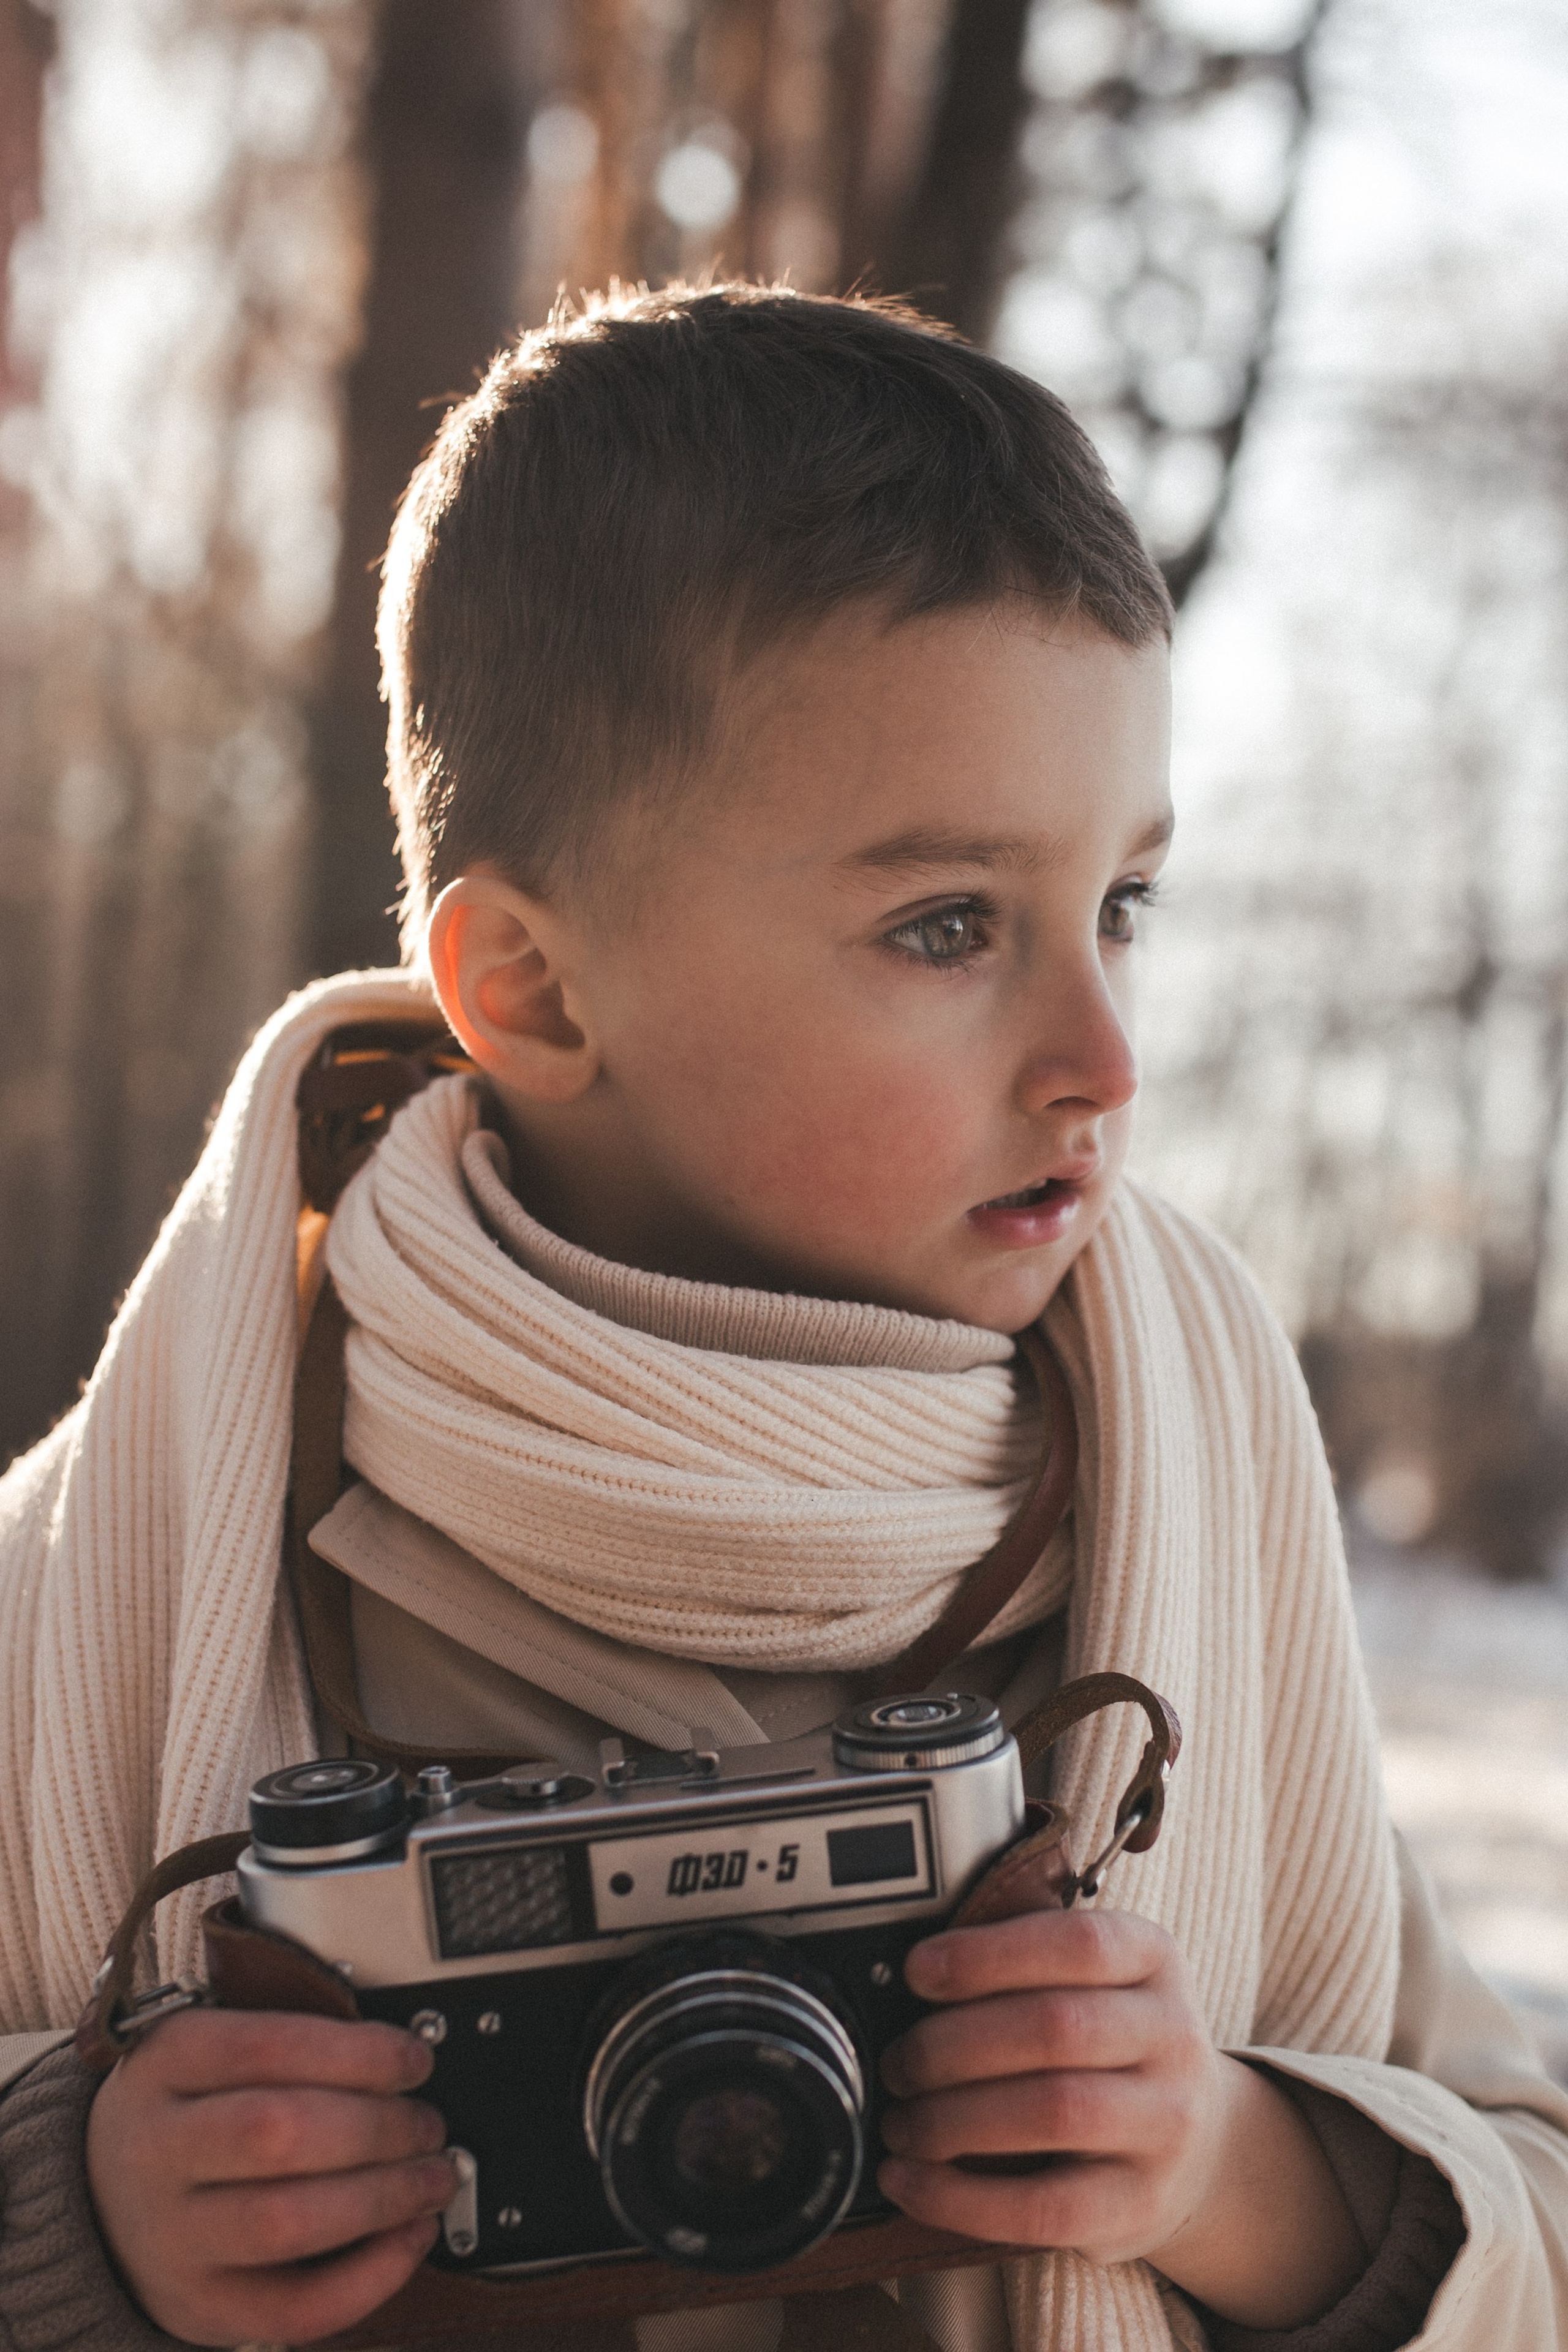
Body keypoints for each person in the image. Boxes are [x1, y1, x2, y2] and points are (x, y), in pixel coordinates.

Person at [0, 284, 1562, 2352]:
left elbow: (1531, 2196)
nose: (1103, 1053)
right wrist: (81, 2206)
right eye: (946, 927)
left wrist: (1227, 2167)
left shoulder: (1180, 1507)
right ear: (540, 990)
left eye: (1122, 908)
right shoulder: (124, 1561)